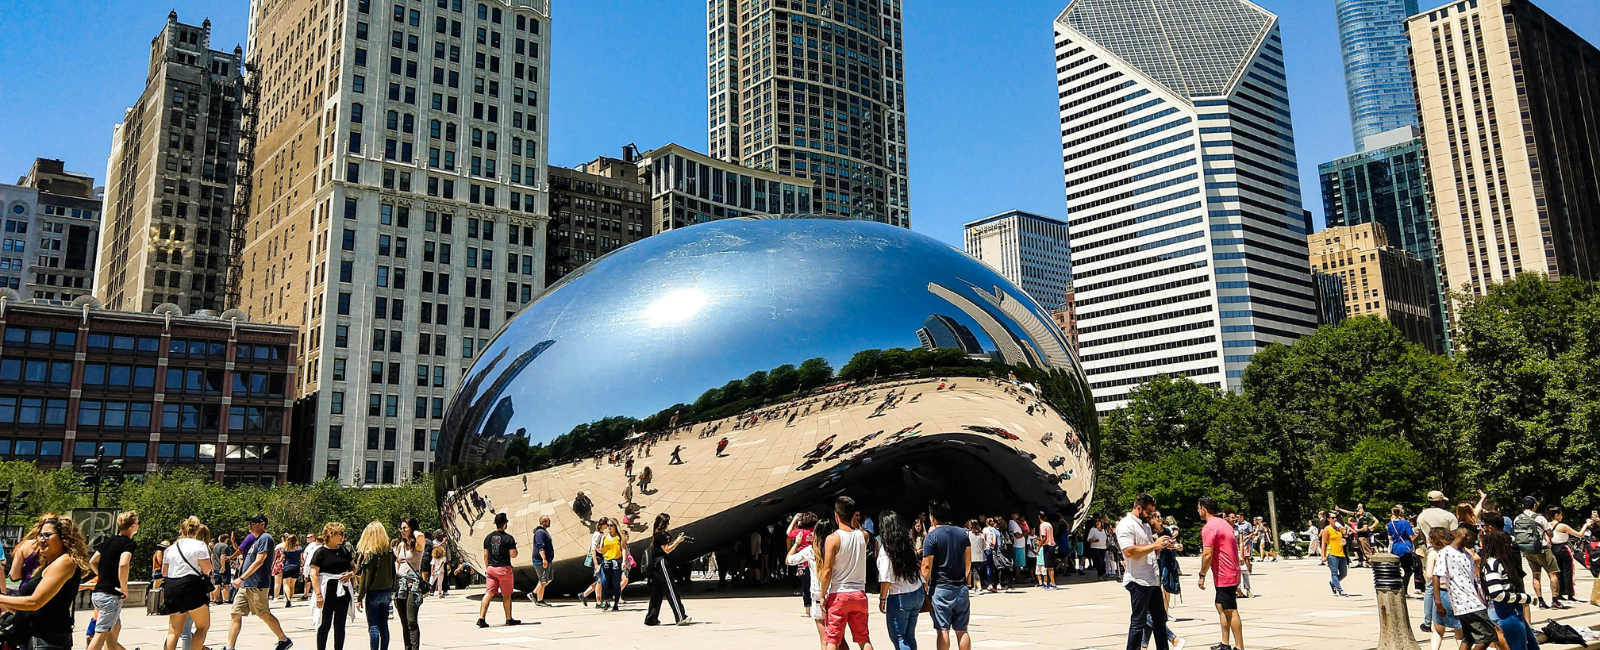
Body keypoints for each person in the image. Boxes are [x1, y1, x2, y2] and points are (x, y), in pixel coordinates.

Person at [0, 515, 90, 650]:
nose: (41, 540)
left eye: (47, 535)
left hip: (47, 640)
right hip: (30, 637)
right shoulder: (47, 564)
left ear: (64, 538)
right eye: (40, 535)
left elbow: (34, 603)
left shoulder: (65, 562)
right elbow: (30, 610)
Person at [227, 514, 292, 650]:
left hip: (257, 584)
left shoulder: (265, 538)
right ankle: (229, 647)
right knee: (235, 614)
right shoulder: (255, 540)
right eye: (250, 522)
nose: (250, 525)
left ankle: (284, 640)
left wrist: (241, 577)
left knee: (264, 614)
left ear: (262, 524)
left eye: (253, 523)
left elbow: (259, 561)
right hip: (246, 585)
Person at [817, 496, 874, 650]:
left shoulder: (833, 539)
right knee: (864, 638)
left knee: (833, 639)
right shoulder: (863, 536)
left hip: (839, 594)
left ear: (836, 516)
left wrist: (822, 595)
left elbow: (827, 570)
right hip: (859, 593)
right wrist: (856, 523)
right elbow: (863, 532)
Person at [1120, 494, 1174, 650]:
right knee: (1138, 621)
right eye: (1149, 513)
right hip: (1138, 580)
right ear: (1138, 508)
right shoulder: (1126, 525)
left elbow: (1149, 551)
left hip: (1152, 579)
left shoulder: (1144, 525)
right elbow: (1129, 551)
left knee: (1160, 620)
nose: (1151, 517)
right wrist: (1154, 545)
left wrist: (1162, 546)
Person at [1433, 525, 1495, 650]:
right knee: (1489, 634)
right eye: (1473, 538)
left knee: (1469, 637)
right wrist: (1438, 602)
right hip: (1465, 603)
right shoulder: (1445, 553)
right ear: (1464, 536)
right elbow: (1436, 576)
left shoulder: (1467, 556)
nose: (1475, 542)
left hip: (1474, 600)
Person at [922, 500, 972, 650]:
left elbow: (926, 565)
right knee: (962, 630)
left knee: (942, 631)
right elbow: (968, 561)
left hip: (940, 588)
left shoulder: (931, 537)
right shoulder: (963, 534)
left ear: (932, 517)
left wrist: (923, 586)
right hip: (961, 587)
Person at [160, 516, 216, 650]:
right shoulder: (200, 545)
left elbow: (164, 572)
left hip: (171, 586)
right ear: (197, 530)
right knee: (202, 626)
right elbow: (207, 569)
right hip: (191, 586)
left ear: (182, 530)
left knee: (174, 630)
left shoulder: (171, 548)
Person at [88, 511, 139, 650]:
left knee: (113, 629)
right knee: (101, 633)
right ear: (133, 526)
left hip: (98, 593)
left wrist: (103, 575)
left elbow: (92, 561)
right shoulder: (128, 543)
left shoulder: (108, 541)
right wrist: (124, 588)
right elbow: (123, 564)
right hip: (110, 595)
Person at [1198, 497, 1243, 650]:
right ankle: (1225, 643)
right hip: (1230, 571)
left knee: (1230, 609)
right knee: (1220, 605)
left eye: (1198, 508)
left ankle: (1239, 646)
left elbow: (1207, 555)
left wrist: (1202, 575)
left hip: (1225, 573)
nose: (1198, 511)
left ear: (1203, 509)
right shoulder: (1224, 524)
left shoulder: (1209, 527)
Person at [875, 512, 925, 650]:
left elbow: (886, 579)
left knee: (899, 637)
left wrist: (882, 599)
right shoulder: (907, 544)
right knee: (910, 635)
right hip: (917, 592)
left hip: (900, 596)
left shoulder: (886, 550)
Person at [1481, 529, 1537, 650]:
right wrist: (1526, 598)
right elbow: (1497, 594)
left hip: (1511, 610)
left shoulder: (1500, 562)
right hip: (1504, 611)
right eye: (1507, 543)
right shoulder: (1493, 564)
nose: (1511, 546)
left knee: (1531, 645)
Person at [309, 523, 355, 650]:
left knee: (340, 625)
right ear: (330, 535)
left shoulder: (344, 550)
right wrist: (318, 594)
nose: (342, 537)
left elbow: (353, 567)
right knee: (324, 624)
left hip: (342, 589)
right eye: (340, 534)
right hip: (326, 589)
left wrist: (351, 573)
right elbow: (314, 574)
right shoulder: (320, 552)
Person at [1512, 497, 1563, 609]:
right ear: (1534, 505)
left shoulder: (1517, 518)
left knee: (1536, 575)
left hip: (1527, 550)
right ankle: (1555, 600)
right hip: (1542, 549)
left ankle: (1541, 600)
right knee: (1553, 574)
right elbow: (1550, 533)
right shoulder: (1539, 518)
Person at [354, 522, 397, 650]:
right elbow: (393, 572)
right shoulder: (389, 552)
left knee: (373, 627)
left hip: (373, 593)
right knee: (384, 625)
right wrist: (392, 590)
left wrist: (359, 597)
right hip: (386, 591)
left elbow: (366, 577)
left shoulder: (371, 554)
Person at [643, 513, 691, 626]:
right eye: (667, 522)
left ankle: (651, 618)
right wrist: (677, 542)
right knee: (671, 590)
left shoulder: (658, 534)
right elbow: (667, 550)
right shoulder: (660, 535)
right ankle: (680, 616)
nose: (669, 524)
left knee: (657, 593)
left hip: (656, 565)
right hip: (661, 563)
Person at [477, 512, 521, 626]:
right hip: (504, 569)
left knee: (489, 593)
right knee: (506, 595)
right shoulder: (509, 538)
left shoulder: (488, 537)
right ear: (505, 524)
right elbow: (513, 554)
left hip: (491, 568)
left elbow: (486, 555)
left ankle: (481, 618)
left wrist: (488, 568)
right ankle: (508, 618)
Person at [393, 518, 427, 650]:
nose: (402, 531)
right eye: (401, 528)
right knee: (404, 621)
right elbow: (398, 560)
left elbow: (421, 535)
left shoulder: (417, 544)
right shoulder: (401, 545)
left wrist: (414, 532)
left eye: (405, 528)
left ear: (412, 529)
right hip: (400, 585)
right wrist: (396, 571)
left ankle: (414, 648)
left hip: (413, 587)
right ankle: (407, 647)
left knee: (411, 620)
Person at [1549, 507, 1588, 606]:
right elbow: (1579, 534)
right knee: (1568, 571)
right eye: (1561, 514)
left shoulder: (1548, 525)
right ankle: (1570, 594)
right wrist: (1586, 525)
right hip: (1563, 547)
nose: (1562, 517)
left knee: (1559, 572)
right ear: (1557, 515)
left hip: (1553, 548)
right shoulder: (1562, 526)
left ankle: (1559, 593)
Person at [593, 519, 627, 612]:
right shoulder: (605, 536)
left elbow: (623, 549)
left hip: (616, 561)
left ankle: (616, 603)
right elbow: (601, 549)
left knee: (616, 583)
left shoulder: (620, 536)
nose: (609, 527)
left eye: (611, 525)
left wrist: (624, 561)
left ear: (615, 526)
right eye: (608, 525)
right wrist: (597, 549)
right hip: (606, 561)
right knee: (604, 581)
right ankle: (607, 601)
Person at [1320, 512, 1349, 596]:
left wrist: (1345, 532)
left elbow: (1344, 536)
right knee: (1334, 573)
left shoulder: (1338, 529)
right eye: (1333, 518)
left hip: (1340, 552)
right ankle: (1340, 590)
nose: (1335, 519)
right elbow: (1323, 543)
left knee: (1344, 573)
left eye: (1335, 517)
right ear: (1328, 519)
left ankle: (1333, 583)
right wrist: (1323, 555)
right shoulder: (1327, 530)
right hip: (1331, 553)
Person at [531, 516, 555, 607]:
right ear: (543, 522)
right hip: (540, 560)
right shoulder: (540, 532)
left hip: (547, 560)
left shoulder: (544, 531)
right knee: (543, 581)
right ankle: (539, 600)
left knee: (549, 579)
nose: (550, 522)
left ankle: (533, 594)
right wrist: (544, 559)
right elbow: (541, 546)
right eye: (548, 521)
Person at [279, 535, 304, 607]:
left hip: (287, 567)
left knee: (286, 584)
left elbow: (281, 559)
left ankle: (288, 599)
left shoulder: (285, 549)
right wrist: (303, 565)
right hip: (296, 567)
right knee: (292, 585)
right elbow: (301, 559)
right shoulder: (299, 548)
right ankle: (290, 598)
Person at [1036, 513, 1057, 589]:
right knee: (1050, 566)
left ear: (1039, 517)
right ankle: (1051, 582)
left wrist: (1039, 545)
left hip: (1047, 546)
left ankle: (1053, 583)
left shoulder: (1042, 526)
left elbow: (1044, 538)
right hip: (1052, 545)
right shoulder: (1049, 524)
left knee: (1049, 567)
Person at [964, 520, 985, 593]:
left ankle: (979, 587)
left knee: (975, 571)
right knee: (977, 571)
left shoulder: (967, 534)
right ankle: (975, 587)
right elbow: (984, 545)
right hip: (980, 555)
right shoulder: (981, 534)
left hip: (971, 555)